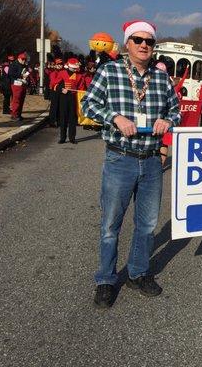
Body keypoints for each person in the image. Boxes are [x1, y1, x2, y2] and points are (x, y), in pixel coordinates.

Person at [82, 20, 181, 309]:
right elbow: (88, 104)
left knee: (147, 225)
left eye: (149, 41)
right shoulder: (110, 71)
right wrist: (114, 117)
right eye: (138, 39)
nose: (143, 45)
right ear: (127, 43)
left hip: (151, 162)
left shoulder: (162, 78)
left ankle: (137, 273)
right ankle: (105, 279)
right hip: (119, 159)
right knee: (111, 224)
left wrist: (168, 121)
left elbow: (175, 112)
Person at [54, 57, 85, 144]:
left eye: (76, 68)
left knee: (72, 119)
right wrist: (61, 89)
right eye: (74, 68)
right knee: (63, 118)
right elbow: (55, 85)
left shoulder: (79, 75)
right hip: (63, 98)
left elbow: (81, 88)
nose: (75, 70)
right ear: (69, 66)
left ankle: (72, 138)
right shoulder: (62, 73)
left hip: (73, 98)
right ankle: (62, 138)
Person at [8, 53, 29, 121]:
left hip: (22, 84)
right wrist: (21, 75)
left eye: (25, 59)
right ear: (19, 58)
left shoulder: (24, 65)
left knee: (21, 99)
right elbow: (11, 74)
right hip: (16, 84)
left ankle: (18, 114)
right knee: (16, 100)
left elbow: (26, 72)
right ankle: (14, 115)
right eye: (23, 59)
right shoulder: (13, 65)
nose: (24, 61)